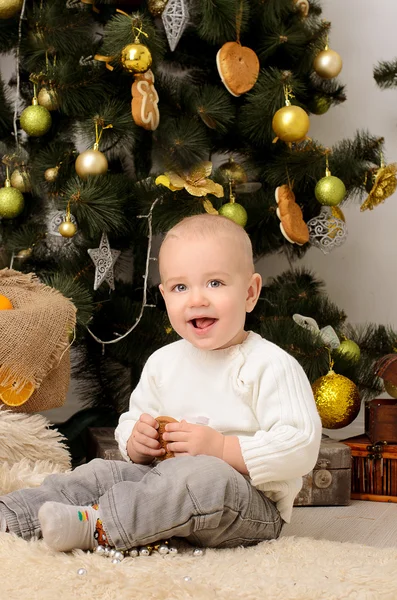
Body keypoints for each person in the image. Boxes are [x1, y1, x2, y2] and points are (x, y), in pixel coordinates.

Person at [0, 213, 322, 553]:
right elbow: (134, 420)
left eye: (215, 283)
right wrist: (135, 441)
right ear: (166, 296)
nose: (197, 299)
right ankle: (16, 515)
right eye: (181, 287)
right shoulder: (163, 363)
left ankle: (98, 526)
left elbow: (300, 445)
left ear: (250, 293)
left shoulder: (270, 365)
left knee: (205, 477)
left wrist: (223, 450)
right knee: (100, 473)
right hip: (160, 484)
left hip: (247, 503)